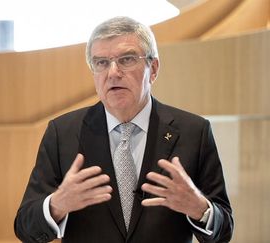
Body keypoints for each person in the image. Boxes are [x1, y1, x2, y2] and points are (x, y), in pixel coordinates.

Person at [14, 16, 233, 243]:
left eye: (126, 59)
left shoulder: (194, 132)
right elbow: (25, 228)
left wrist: (199, 208)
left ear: (154, 68)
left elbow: (224, 229)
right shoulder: (63, 133)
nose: (113, 72)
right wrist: (57, 205)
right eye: (101, 63)